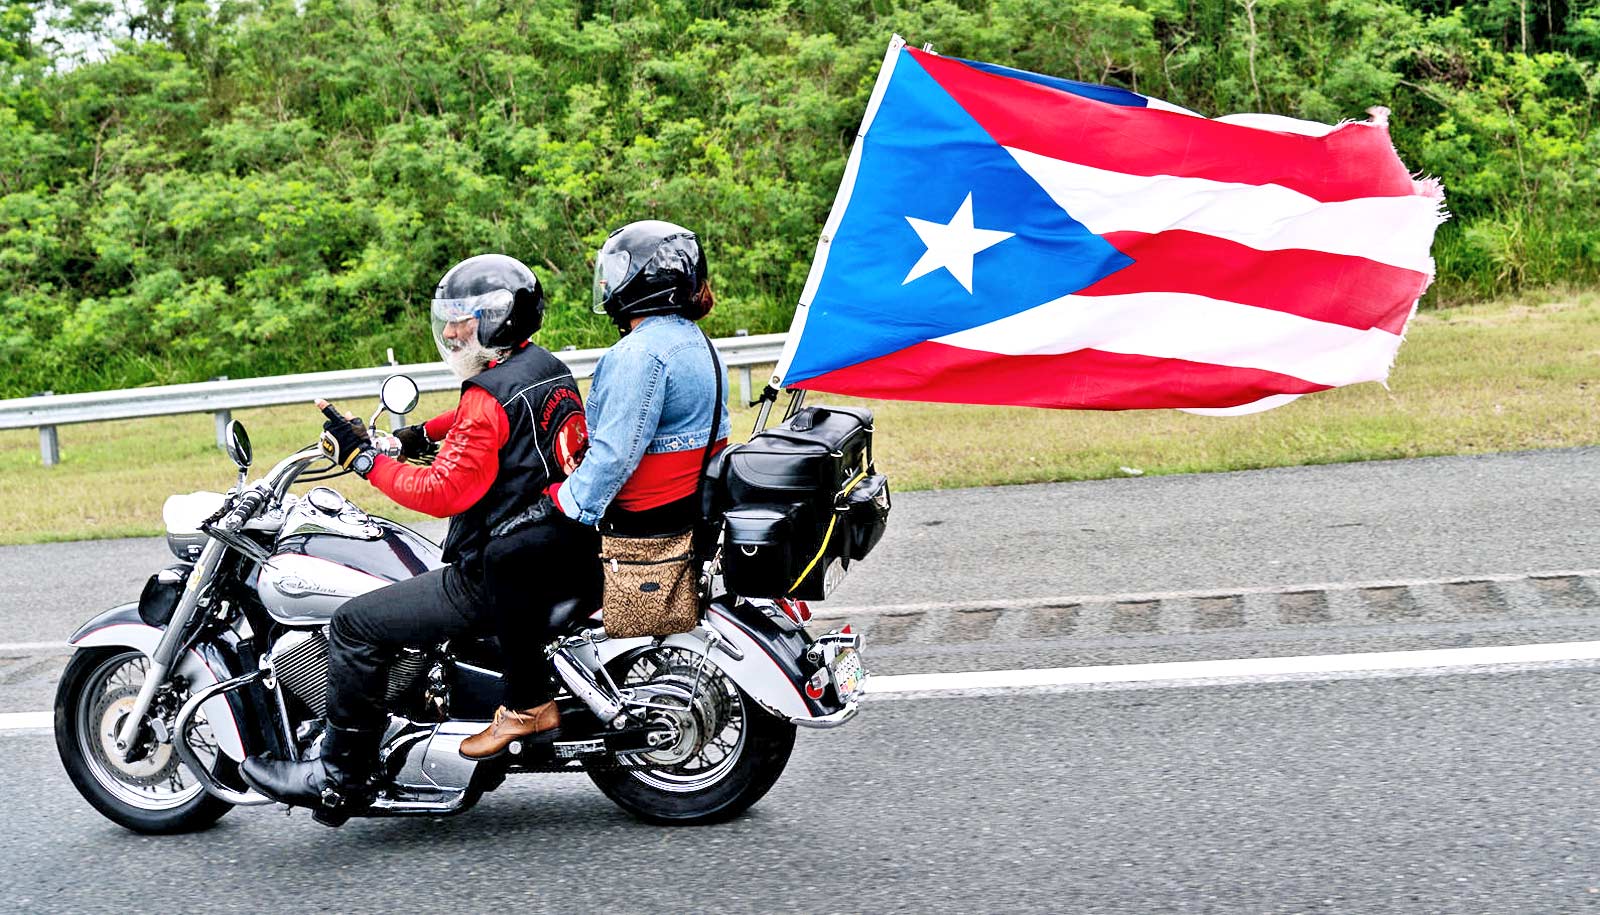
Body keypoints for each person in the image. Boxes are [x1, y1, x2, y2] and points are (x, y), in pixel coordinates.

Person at [240, 254, 600, 824]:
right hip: (554, 547)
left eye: (465, 318)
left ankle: (340, 775)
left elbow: (441, 491)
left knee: (353, 624)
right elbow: (477, 420)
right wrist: (408, 437)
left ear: (500, 318)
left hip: (496, 567)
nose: (452, 332)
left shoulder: (488, 395)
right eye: (449, 319)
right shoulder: (544, 367)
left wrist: (365, 461)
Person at [458, 219, 730, 759]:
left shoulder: (640, 354)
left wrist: (561, 503)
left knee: (503, 557)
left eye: (618, 270)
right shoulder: (695, 341)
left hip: (634, 525)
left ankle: (527, 705)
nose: (608, 283)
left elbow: (612, 457)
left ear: (646, 279)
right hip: (678, 513)